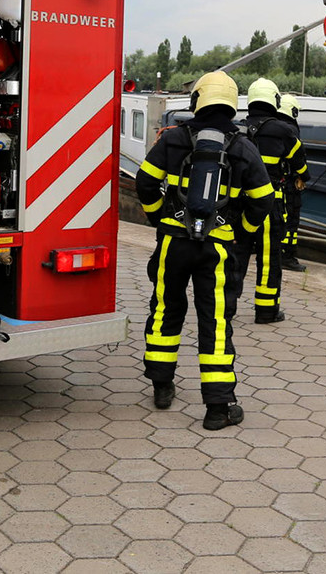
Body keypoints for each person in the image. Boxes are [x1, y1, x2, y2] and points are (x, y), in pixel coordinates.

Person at [135, 71, 273, 430]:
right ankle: (218, 407)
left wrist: (159, 218)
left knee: (165, 309)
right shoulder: (243, 146)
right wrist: (241, 232)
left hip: (173, 242)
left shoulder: (174, 138)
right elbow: (263, 199)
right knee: (215, 322)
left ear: (198, 100)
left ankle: (162, 386)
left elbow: (145, 182)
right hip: (218, 249)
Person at [240, 78, 307, 322]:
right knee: (269, 257)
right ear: (274, 100)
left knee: (236, 254)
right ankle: (266, 311)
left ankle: (227, 306)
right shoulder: (283, 131)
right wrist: (302, 177)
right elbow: (299, 162)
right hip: (271, 203)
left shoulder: (239, 129)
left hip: (241, 203)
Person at [275, 94, 308, 273]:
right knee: (291, 221)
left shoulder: (273, 126)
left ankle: (276, 252)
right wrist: (304, 176)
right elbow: (298, 157)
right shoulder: (290, 130)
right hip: (289, 184)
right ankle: (287, 256)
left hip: (274, 183)